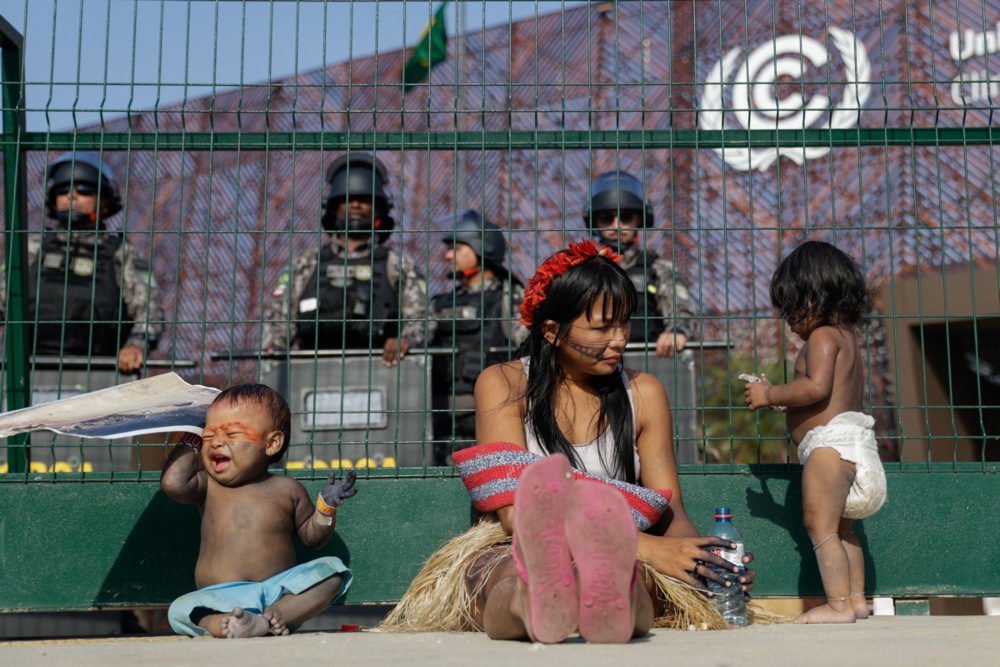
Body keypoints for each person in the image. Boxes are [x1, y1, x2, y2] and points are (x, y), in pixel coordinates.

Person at [382, 240, 755, 642]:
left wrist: (702, 562)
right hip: (519, 546)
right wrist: (646, 547)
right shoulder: (503, 384)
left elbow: (670, 510)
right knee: (503, 578)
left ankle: (609, 598)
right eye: (601, 328)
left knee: (637, 580)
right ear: (552, 331)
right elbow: (513, 514)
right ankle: (537, 601)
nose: (619, 339)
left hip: (622, 554)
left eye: (624, 323)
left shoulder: (644, 392)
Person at [744, 240, 886, 624]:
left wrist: (769, 393)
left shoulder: (822, 337)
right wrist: (784, 399)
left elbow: (816, 388)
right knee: (843, 531)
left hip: (829, 447)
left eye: (791, 306)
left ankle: (838, 605)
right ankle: (856, 601)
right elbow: (821, 395)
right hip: (852, 445)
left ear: (815, 295)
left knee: (819, 527)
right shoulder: (845, 337)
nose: (787, 317)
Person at [161, 384, 358, 638]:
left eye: (231, 433)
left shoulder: (287, 489)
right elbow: (172, 482)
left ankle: (273, 617)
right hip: (219, 595)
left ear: (272, 443)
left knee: (333, 572)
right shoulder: (208, 485)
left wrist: (326, 507)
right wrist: (192, 435)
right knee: (179, 609)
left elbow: (314, 538)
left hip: (277, 592)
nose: (217, 442)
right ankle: (224, 624)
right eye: (208, 436)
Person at [0, 152, 162, 373]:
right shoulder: (30, 248)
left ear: (105, 200)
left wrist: (136, 345)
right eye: (62, 190)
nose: (71, 196)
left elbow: (150, 311)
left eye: (84, 190)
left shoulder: (121, 254)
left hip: (100, 373)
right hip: (26, 372)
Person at [262, 153, 426, 367]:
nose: (356, 205)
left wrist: (407, 340)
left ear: (379, 209)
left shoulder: (397, 265)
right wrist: (275, 351)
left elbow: (421, 318)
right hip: (310, 371)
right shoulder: (306, 264)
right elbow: (278, 320)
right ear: (333, 207)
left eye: (365, 200)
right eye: (347, 199)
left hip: (381, 371)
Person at [427, 211, 527, 465]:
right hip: (441, 425)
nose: (448, 256)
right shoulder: (439, 304)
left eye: (457, 248)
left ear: (482, 249)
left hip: (497, 420)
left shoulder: (512, 298)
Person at [583, 170, 698, 357]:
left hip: (647, 365)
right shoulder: (578, 268)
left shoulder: (658, 269)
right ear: (594, 220)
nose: (616, 225)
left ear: (640, 218)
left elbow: (682, 311)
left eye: (625, 217)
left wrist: (677, 332)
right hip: (589, 363)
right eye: (606, 217)